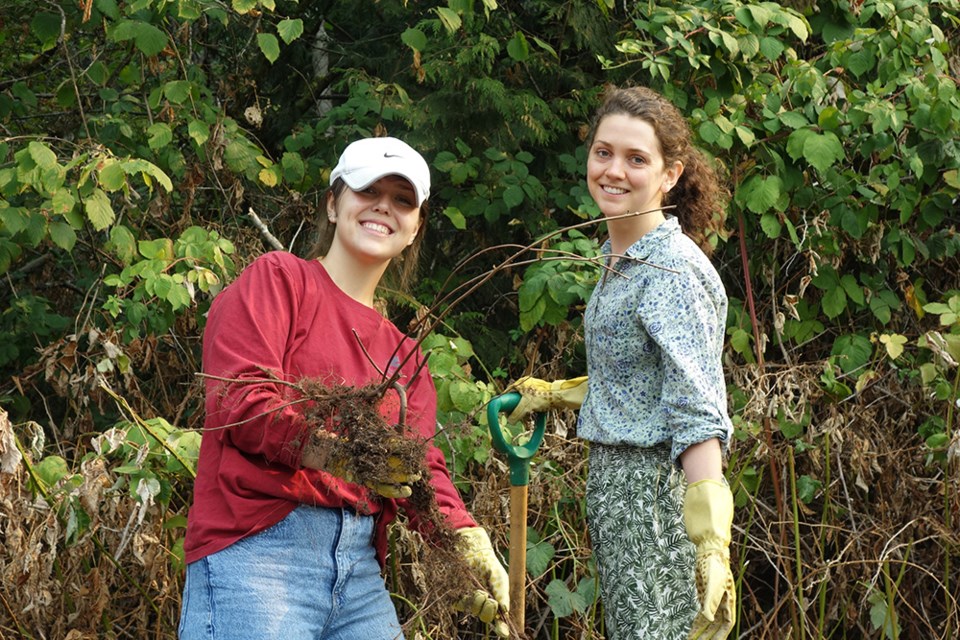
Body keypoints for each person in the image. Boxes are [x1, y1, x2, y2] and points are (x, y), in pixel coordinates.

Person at [179, 136, 509, 640]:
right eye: (366, 190)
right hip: (259, 551)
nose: (383, 206)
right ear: (333, 204)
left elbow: (419, 468)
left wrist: (462, 535)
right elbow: (239, 400)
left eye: (402, 200)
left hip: (358, 571)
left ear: (415, 227)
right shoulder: (280, 281)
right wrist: (337, 455)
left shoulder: (406, 358)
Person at [507, 86, 737, 640]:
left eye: (637, 159)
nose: (614, 170)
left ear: (670, 174)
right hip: (617, 495)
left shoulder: (670, 271)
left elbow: (695, 405)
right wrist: (560, 393)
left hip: (655, 501)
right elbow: (643, 378)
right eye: (603, 152)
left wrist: (711, 544)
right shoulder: (625, 258)